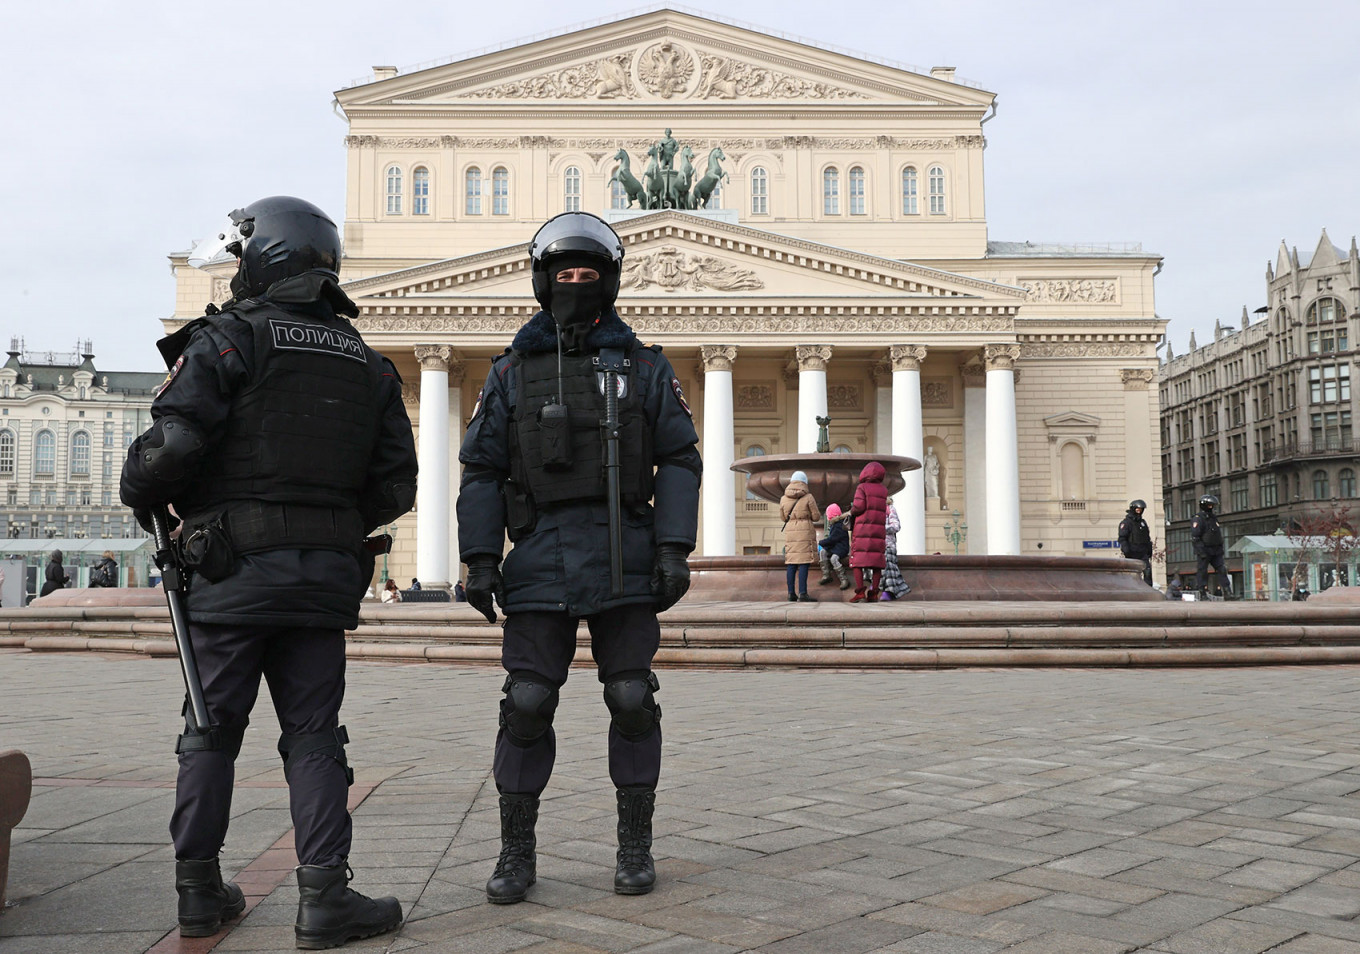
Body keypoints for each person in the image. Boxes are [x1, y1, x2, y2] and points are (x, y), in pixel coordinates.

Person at [119, 195, 418, 947]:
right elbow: (397, 485)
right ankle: (324, 899)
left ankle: (197, 893)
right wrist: (331, 520)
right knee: (315, 736)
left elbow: (173, 447)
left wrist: (150, 490)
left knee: (210, 731)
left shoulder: (228, 341)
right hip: (322, 582)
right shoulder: (368, 363)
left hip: (229, 574)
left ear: (268, 258)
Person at [456, 212, 701, 904]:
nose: (575, 285)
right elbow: (480, 468)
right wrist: (479, 557)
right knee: (527, 703)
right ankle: (515, 851)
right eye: (563, 275)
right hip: (538, 556)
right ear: (542, 282)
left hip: (624, 552)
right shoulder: (509, 375)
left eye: (587, 276)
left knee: (631, 699)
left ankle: (634, 848)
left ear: (610, 283)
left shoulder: (645, 368)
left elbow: (680, 457)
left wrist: (674, 548)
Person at [848, 461, 888, 603]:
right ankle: (874, 592)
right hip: (878, 530)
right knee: (877, 562)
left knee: (857, 560)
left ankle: (860, 592)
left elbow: (859, 507)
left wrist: (851, 510)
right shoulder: (883, 490)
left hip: (863, 528)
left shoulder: (862, 487)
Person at [779, 470, 820, 602]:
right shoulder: (808, 497)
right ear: (805, 482)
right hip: (805, 531)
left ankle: (791, 593)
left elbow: (783, 517)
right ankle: (803, 593)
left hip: (791, 532)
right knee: (803, 563)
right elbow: (816, 516)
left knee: (791, 563)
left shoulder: (783, 498)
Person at [1191, 494, 1231, 599]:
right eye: (1210, 505)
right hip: (1205, 549)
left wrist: (1221, 548)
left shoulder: (1214, 518)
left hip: (1216, 550)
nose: (1212, 507)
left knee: (1222, 569)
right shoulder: (1198, 518)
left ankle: (1227, 592)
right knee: (1203, 571)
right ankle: (1203, 593)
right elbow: (1195, 536)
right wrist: (1200, 551)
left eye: (1213, 505)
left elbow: (1217, 534)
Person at [1118, 499, 1154, 586]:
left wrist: (1149, 551)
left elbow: (1147, 538)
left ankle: (1148, 590)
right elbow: (1122, 538)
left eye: (1141, 510)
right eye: (1137, 509)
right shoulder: (1126, 523)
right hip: (1132, 552)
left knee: (1148, 572)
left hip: (1143, 552)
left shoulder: (1143, 523)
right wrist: (1126, 551)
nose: (1139, 512)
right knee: (1132, 575)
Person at [878, 501, 911, 600]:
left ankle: (887, 592)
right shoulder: (871, 509)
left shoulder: (889, 509)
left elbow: (896, 526)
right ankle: (880, 587)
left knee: (888, 565)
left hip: (888, 545)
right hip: (875, 545)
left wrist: (880, 528)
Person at [817, 504, 852, 590]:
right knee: (822, 552)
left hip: (841, 547)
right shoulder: (834, 524)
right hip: (835, 546)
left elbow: (833, 539)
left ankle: (844, 579)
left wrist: (821, 542)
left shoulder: (839, 525)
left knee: (834, 558)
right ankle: (826, 574)